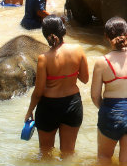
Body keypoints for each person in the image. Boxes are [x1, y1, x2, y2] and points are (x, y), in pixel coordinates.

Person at [24, 15, 89, 158]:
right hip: (73, 105)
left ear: (45, 35)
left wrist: (29, 111)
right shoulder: (78, 50)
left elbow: (38, 91)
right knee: (68, 153)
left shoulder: (44, 58)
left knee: (46, 154)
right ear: (63, 30)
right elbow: (85, 79)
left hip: (48, 108)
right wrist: (69, 71)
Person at [91, 17, 127, 165]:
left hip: (112, 110)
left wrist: (107, 109)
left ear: (106, 36)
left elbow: (94, 96)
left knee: (104, 157)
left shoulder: (102, 62)